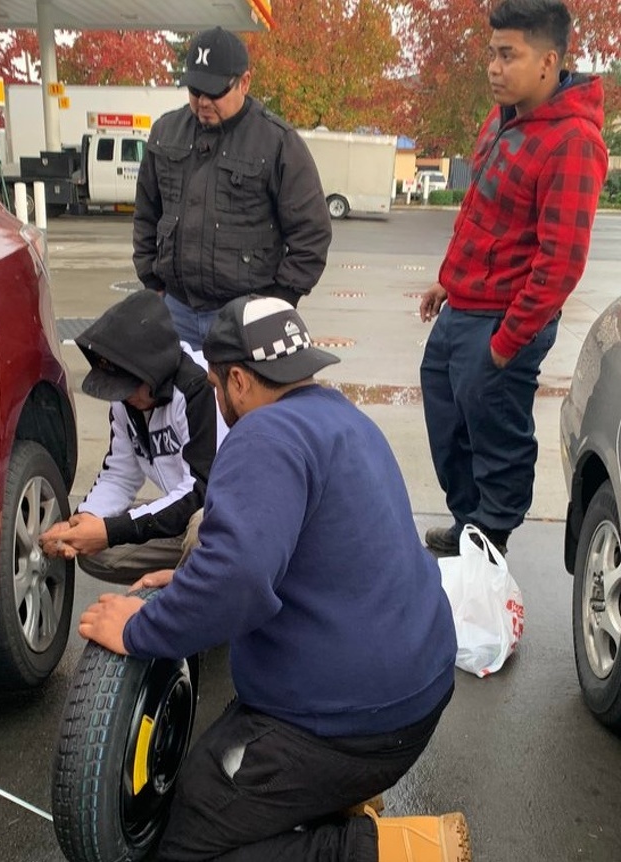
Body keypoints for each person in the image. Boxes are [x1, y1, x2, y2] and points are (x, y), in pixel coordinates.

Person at [78, 295, 470, 862]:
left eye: (217, 385)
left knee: (182, 844)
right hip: (415, 686)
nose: (218, 398)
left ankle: (384, 850)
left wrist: (140, 628)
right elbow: (287, 550)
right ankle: (339, 798)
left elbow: (236, 581)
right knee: (216, 780)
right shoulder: (343, 418)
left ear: (238, 381)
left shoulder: (263, 435)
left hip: (354, 722)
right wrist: (189, 580)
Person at [419, 0, 608, 558]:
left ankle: (490, 543)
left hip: (503, 319)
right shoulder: (502, 118)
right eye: (491, 54)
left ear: (548, 62)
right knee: (448, 423)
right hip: (463, 307)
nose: (493, 68)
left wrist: (506, 344)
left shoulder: (573, 141)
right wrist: (448, 280)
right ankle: (468, 524)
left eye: (508, 55)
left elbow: (560, 263)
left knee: (496, 437)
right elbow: (481, 212)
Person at [132, 26, 332, 349]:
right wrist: (151, 280)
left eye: (214, 92)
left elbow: (312, 234)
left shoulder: (277, 142)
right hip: (176, 309)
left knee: (240, 387)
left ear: (245, 82)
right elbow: (146, 214)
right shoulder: (166, 133)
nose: (203, 102)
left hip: (247, 315)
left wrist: (279, 301)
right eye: (195, 90)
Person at [39, 290, 225, 583]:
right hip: (182, 518)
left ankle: (193, 595)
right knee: (95, 551)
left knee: (201, 529)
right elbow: (120, 474)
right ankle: (185, 576)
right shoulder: (127, 402)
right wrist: (88, 519)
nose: (124, 397)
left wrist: (111, 531)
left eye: (128, 387)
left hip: (223, 518)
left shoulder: (198, 389)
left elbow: (201, 491)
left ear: (154, 371)